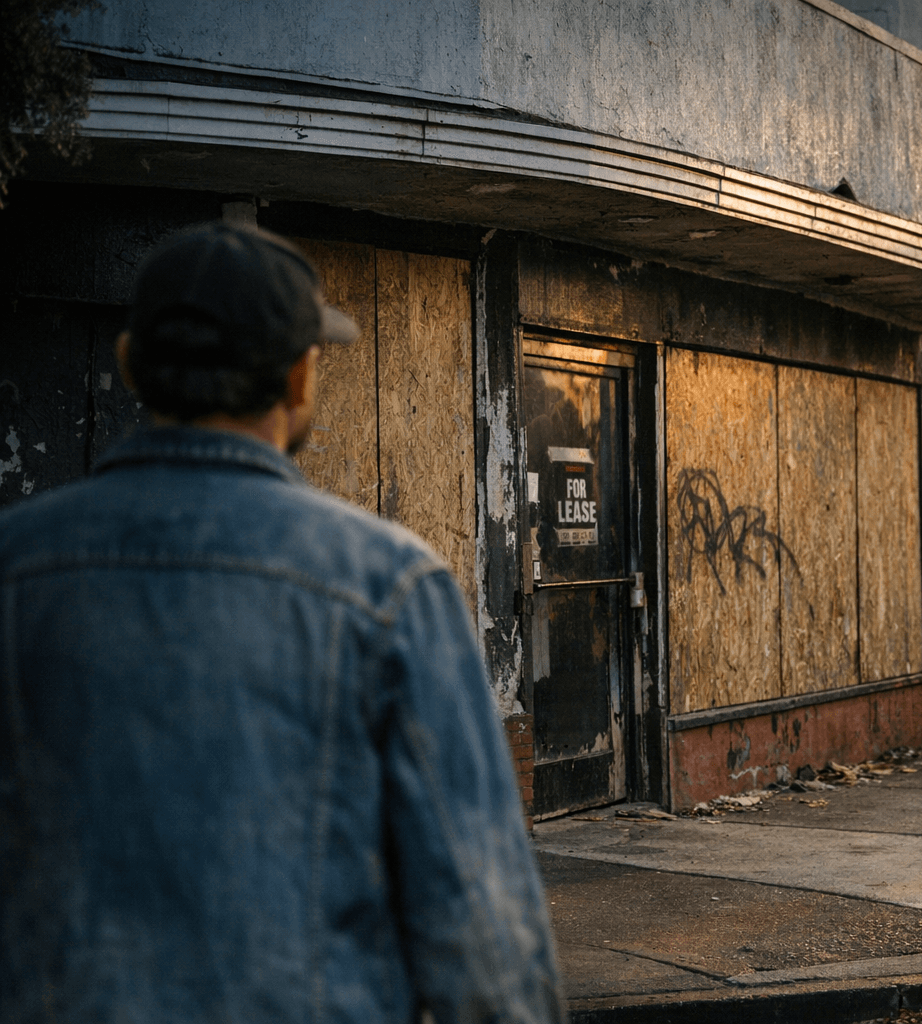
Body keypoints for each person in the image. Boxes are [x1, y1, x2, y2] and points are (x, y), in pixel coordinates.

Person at [0, 223, 564, 1023]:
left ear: (131, 365)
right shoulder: (392, 588)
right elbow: (483, 932)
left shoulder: (16, 568)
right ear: (300, 379)